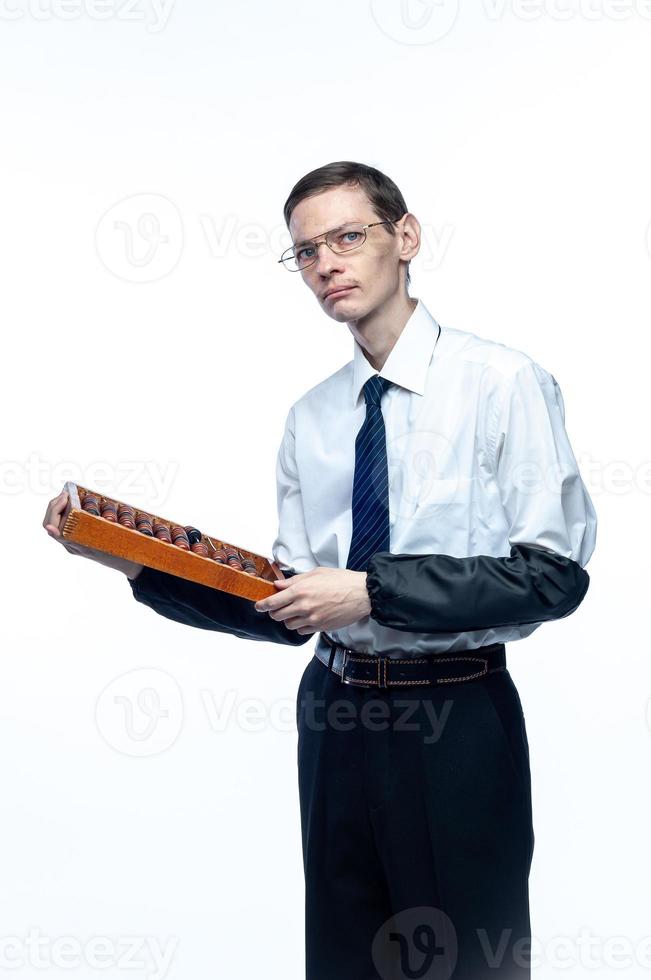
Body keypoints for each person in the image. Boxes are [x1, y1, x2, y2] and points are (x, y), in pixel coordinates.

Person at [44, 160, 597, 980]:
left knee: (470, 963)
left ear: (404, 238)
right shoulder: (312, 416)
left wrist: (373, 591)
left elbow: (552, 578)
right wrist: (134, 567)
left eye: (347, 237)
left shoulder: (502, 383)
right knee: (345, 958)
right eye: (305, 252)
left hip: (455, 718)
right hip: (335, 716)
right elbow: (292, 603)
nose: (326, 263)